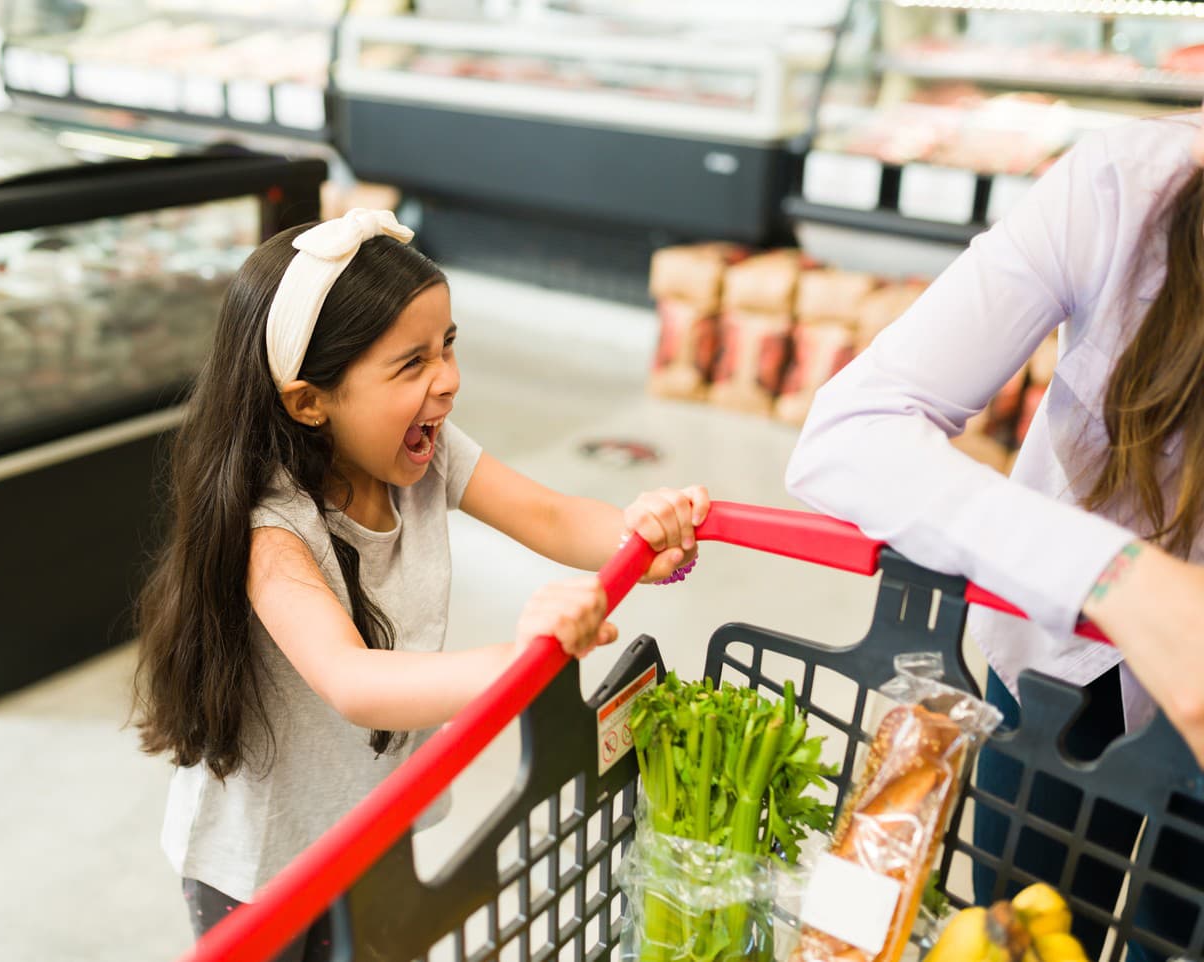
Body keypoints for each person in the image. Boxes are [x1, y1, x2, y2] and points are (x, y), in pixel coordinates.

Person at [131, 209, 710, 962]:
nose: (449, 380)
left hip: (372, 827)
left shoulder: (426, 460)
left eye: (448, 347)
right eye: (412, 364)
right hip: (261, 866)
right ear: (310, 401)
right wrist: (523, 656)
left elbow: (550, 513)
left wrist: (642, 534)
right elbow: (353, 681)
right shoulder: (271, 531)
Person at [786, 111, 1204, 962]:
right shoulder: (1127, 185)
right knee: (1022, 926)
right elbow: (849, 434)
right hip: (1057, 665)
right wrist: (1113, 575)